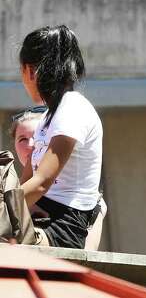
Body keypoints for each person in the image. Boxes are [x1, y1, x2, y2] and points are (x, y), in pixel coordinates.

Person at [14, 25, 104, 249]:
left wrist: (5, 211)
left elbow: (42, 183)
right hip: (38, 213)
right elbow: (25, 182)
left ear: (31, 71)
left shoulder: (73, 108)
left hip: (63, 226)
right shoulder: (47, 117)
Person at [9, 106, 107, 251]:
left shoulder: (85, 198)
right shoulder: (10, 185)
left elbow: (85, 255)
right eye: (22, 139)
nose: (31, 145)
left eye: (37, 138)